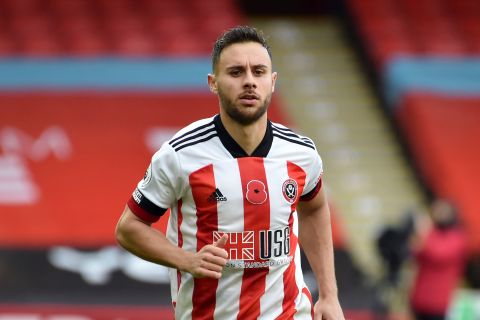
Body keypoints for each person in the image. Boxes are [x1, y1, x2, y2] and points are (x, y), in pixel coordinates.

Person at [115, 26, 344, 320]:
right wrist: (187, 260)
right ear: (213, 83)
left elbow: (313, 209)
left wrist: (329, 295)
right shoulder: (180, 155)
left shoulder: (302, 153)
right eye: (236, 72)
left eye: (259, 72)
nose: (249, 81)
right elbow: (129, 227)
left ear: (272, 82)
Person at [409, 199, 468, 320]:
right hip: (419, 298)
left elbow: (438, 254)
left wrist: (424, 232)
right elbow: (415, 253)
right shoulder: (431, 234)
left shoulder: (458, 238)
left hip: (437, 302)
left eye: (442, 212)